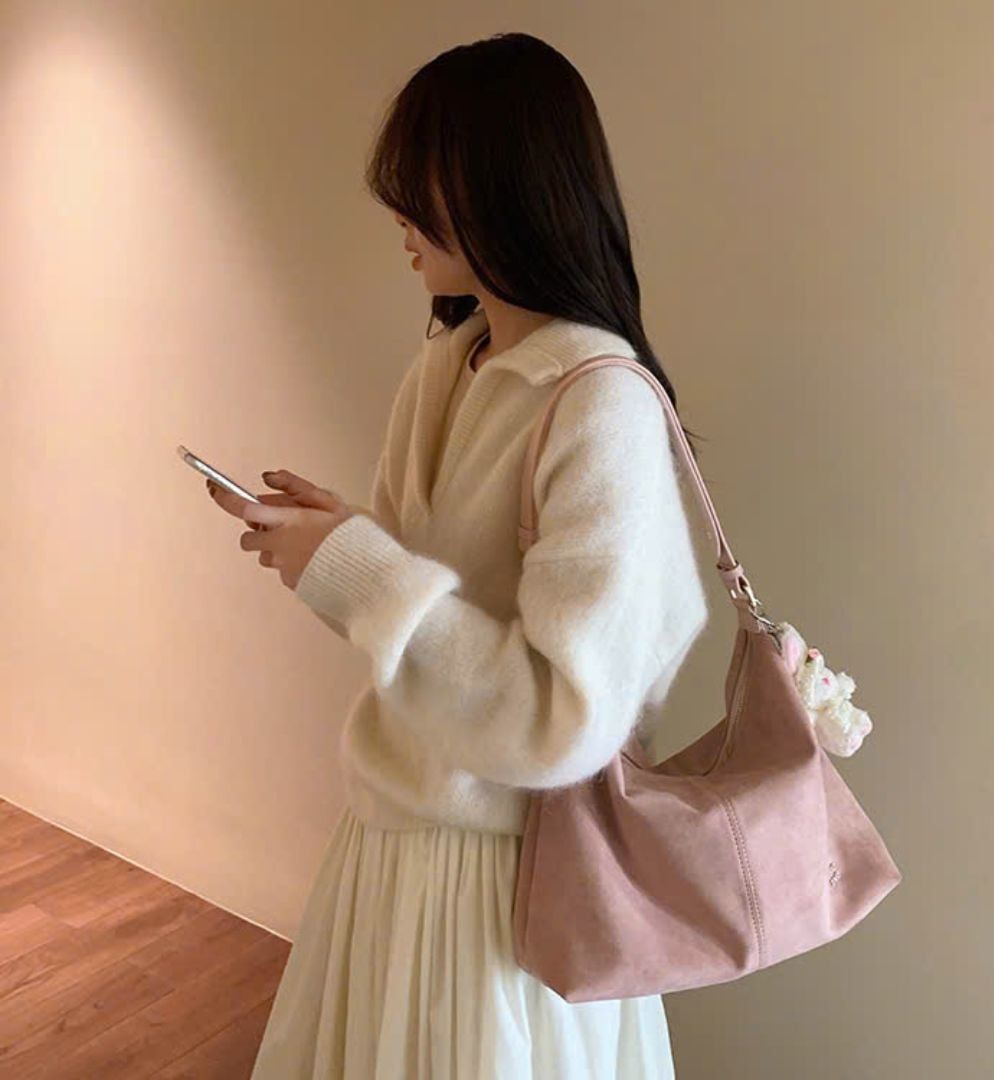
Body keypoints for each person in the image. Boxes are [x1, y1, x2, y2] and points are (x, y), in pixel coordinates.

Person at [243, 31, 711, 1079]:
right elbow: (441, 594)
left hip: (507, 890)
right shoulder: (450, 363)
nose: (398, 214)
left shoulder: (600, 404)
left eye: (422, 182)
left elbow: (563, 719)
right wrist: (339, 542)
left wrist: (353, 569)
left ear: (505, 187)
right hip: (390, 842)